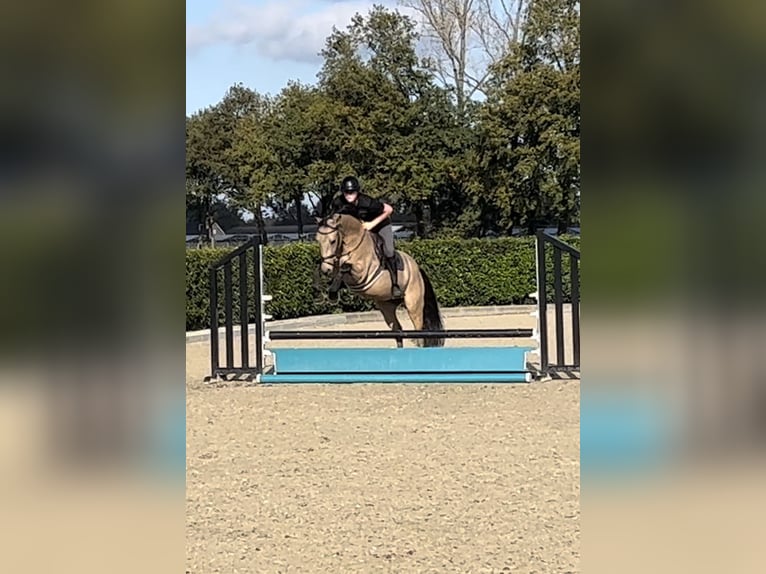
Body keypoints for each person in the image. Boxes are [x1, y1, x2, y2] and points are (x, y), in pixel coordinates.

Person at [331, 175, 403, 298]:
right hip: (360, 229)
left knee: (389, 250)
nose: (349, 195)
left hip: (380, 225)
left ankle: (395, 284)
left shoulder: (368, 202)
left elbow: (389, 209)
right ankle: (338, 281)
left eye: (352, 192)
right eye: (346, 192)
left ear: (357, 192)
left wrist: (372, 224)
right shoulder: (338, 202)